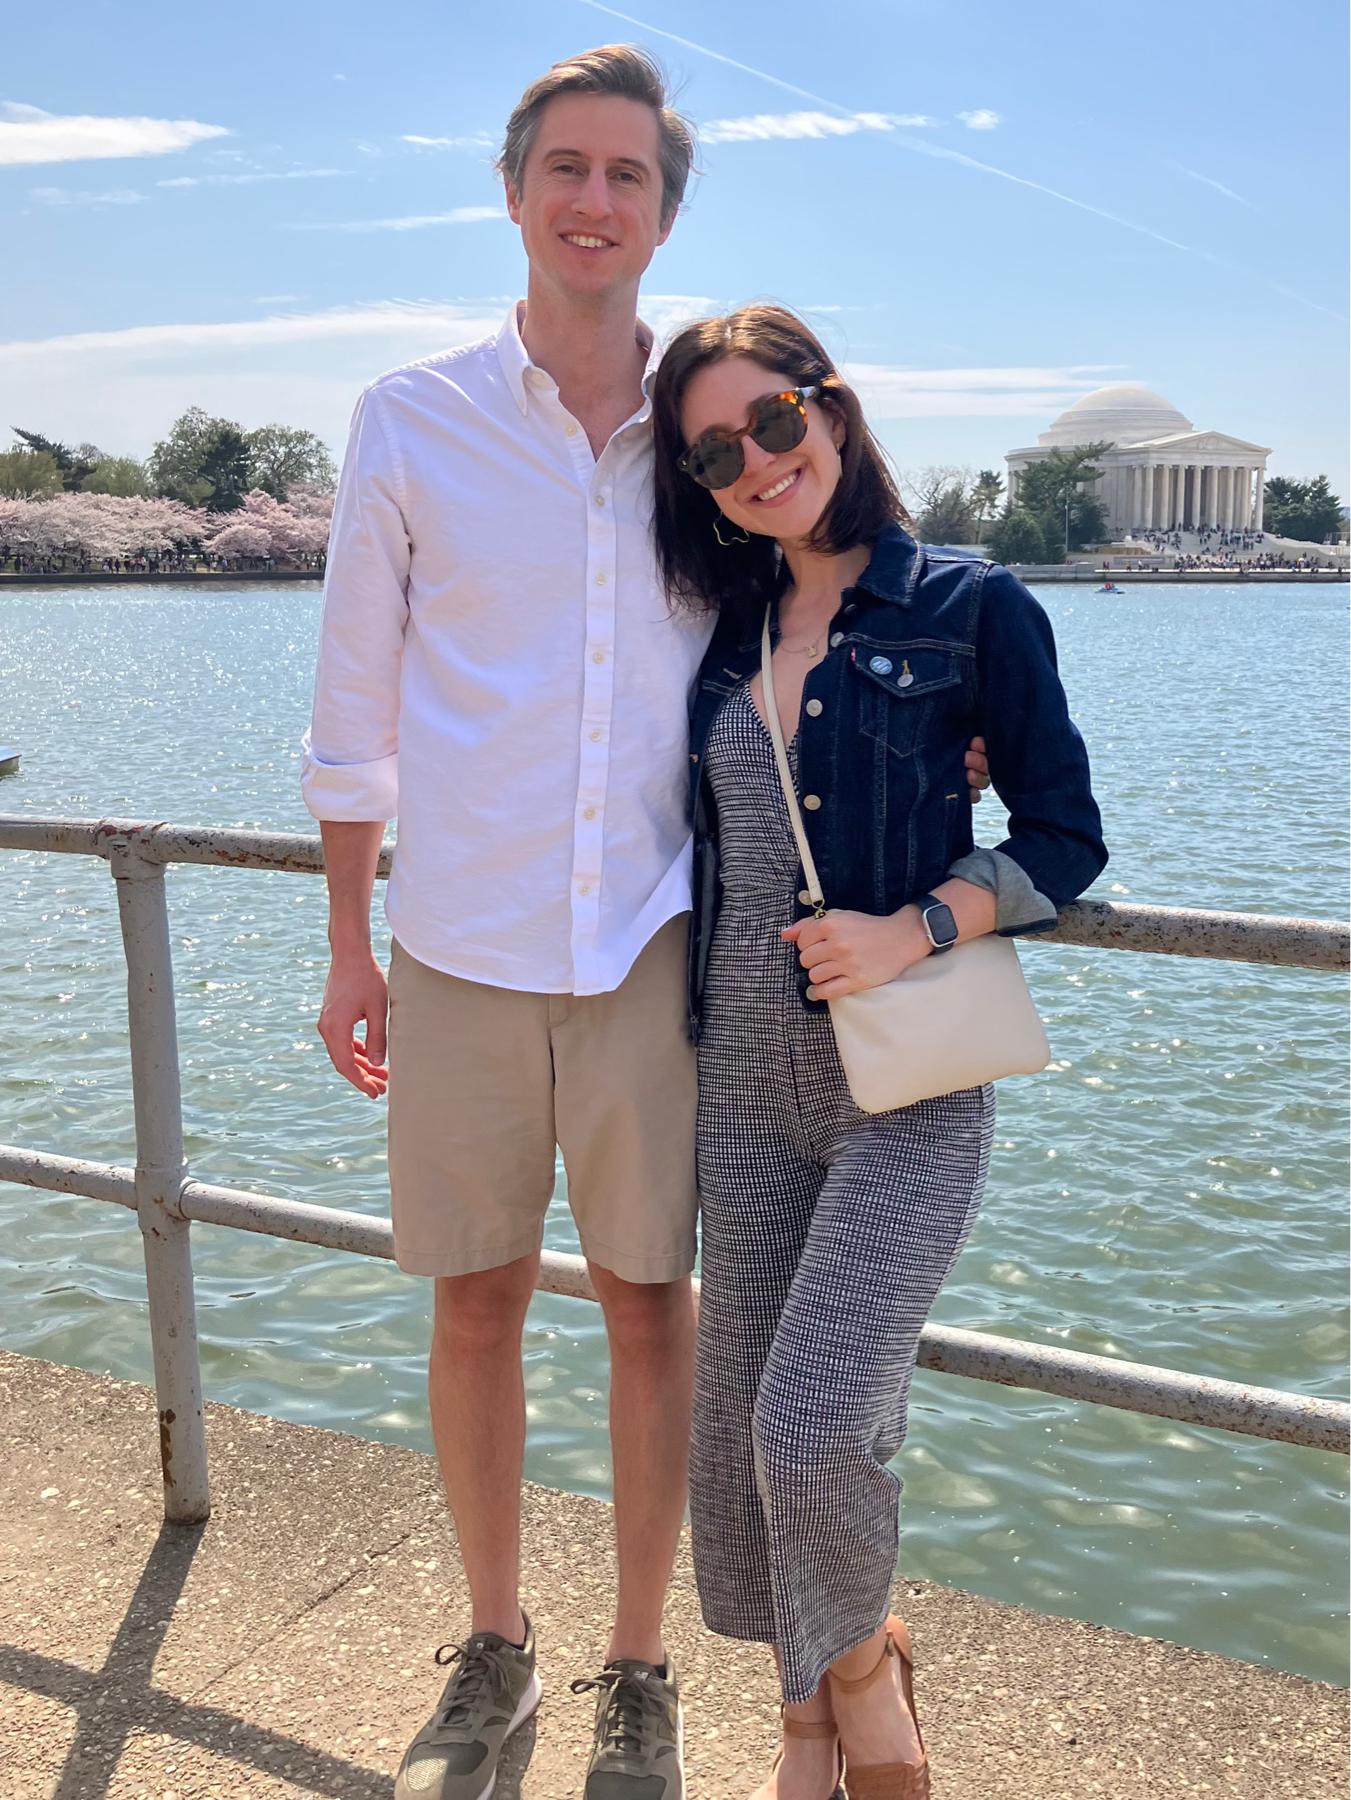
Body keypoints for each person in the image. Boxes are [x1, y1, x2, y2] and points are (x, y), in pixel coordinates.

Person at [303, 45, 988, 1800]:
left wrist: (947, 726)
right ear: (515, 189)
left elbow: (827, 599)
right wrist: (346, 940)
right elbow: (352, 709)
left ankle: (637, 1663)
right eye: (566, 167)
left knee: (649, 1310)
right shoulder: (410, 415)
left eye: (628, 175)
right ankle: (493, 1639)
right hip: (454, 938)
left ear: (664, 211)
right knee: (471, 1306)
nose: (593, 201)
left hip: (652, 950)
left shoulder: (704, 451)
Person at [649, 305, 1107, 1800]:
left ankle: (863, 1694)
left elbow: (1065, 838)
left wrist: (924, 918)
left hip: (902, 1082)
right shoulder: (715, 625)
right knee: (734, 1443)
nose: (754, 464)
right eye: (714, 451)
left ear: (831, 408)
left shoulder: (972, 606)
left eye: (773, 421)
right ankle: (827, 1691)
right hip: (738, 1082)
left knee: (815, 1425)